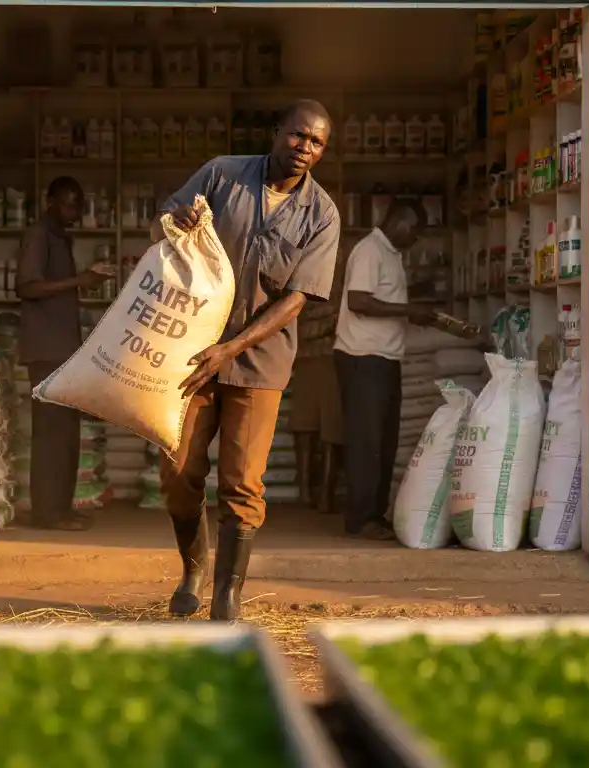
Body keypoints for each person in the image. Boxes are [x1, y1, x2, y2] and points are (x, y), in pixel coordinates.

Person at [152, 100, 340, 621]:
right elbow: (162, 225)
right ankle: (194, 568)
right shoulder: (223, 174)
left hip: (259, 362)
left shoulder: (321, 213)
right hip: (193, 348)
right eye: (298, 136)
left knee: (242, 483)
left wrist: (231, 349)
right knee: (177, 469)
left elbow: (297, 299)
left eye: (317, 142)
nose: (304, 148)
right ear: (276, 132)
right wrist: (175, 219)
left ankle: (227, 595)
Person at [333, 199, 438, 541]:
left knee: (384, 441)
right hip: (363, 358)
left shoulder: (390, 254)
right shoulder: (369, 251)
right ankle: (360, 519)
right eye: (417, 233)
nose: (416, 240)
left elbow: (381, 296)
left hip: (384, 358)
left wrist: (415, 299)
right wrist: (409, 310)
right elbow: (358, 301)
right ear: (403, 223)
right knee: (367, 442)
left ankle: (374, 515)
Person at [18, 176, 115, 531]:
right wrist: (80, 281)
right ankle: (47, 514)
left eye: (78, 205)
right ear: (50, 202)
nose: (74, 211)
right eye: (68, 204)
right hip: (45, 350)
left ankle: (61, 506)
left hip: (63, 349)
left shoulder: (60, 237)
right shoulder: (39, 235)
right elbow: (26, 286)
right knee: (49, 434)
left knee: (66, 434)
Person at [288, 258, 345, 514]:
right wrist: (329, 320)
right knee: (304, 428)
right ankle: (305, 492)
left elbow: (344, 316)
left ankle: (325, 495)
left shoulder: (342, 283)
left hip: (333, 359)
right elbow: (292, 320)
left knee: (332, 430)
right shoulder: (299, 282)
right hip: (305, 358)